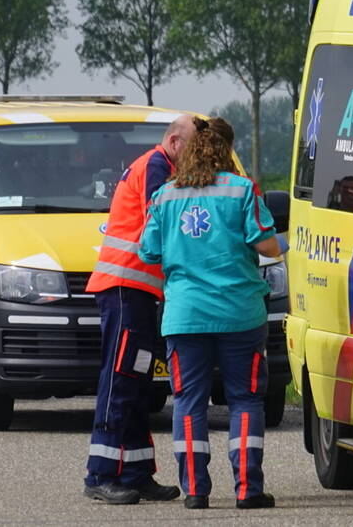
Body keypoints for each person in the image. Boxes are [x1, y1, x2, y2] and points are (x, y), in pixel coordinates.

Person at [139, 117, 281, 510]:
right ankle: (248, 490)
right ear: (225, 151)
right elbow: (269, 247)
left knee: (187, 401)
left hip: (185, 317)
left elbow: (148, 251)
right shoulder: (241, 191)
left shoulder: (166, 196)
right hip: (240, 314)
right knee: (246, 400)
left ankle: (195, 491)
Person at [82, 115, 196, 505]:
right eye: (194, 148)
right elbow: (161, 220)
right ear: (176, 141)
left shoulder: (160, 165)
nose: (196, 156)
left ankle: (136, 471)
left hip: (138, 291)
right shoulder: (157, 167)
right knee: (119, 379)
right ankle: (100, 474)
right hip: (124, 289)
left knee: (135, 380)